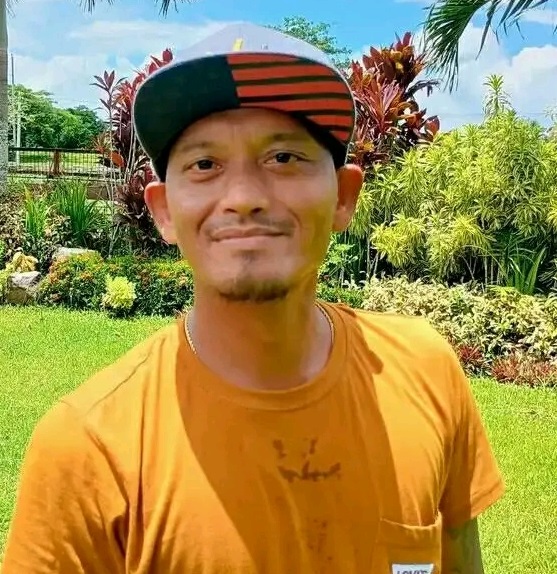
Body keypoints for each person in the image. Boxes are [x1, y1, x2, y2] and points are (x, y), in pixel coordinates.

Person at [1, 22, 504, 574]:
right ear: (163, 210)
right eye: (205, 165)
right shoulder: (88, 449)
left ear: (344, 196)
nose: (243, 198)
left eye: (283, 158)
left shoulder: (426, 372)